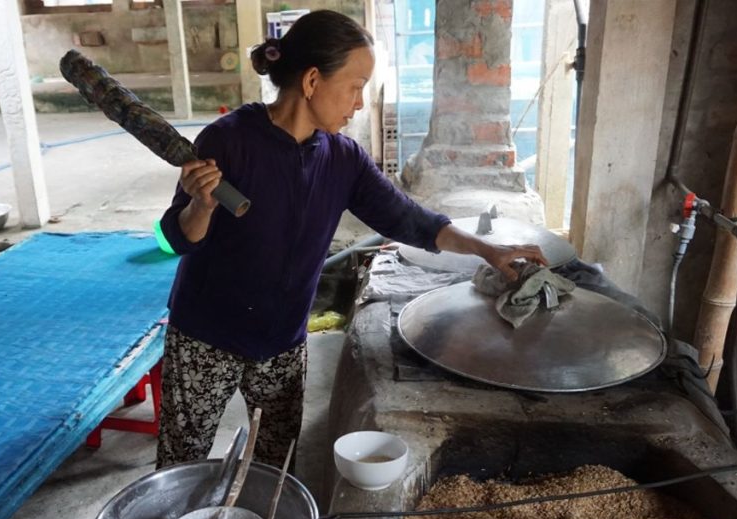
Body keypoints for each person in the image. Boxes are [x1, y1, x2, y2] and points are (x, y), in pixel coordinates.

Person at [156, 10, 546, 469]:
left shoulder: (344, 159)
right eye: (355, 86)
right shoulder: (229, 141)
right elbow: (175, 239)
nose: (359, 103)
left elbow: (409, 220)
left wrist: (487, 249)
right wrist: (201, 206)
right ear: (312, 81)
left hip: (281, 343)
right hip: (206, 338)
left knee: (277, 467)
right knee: (180, 465)